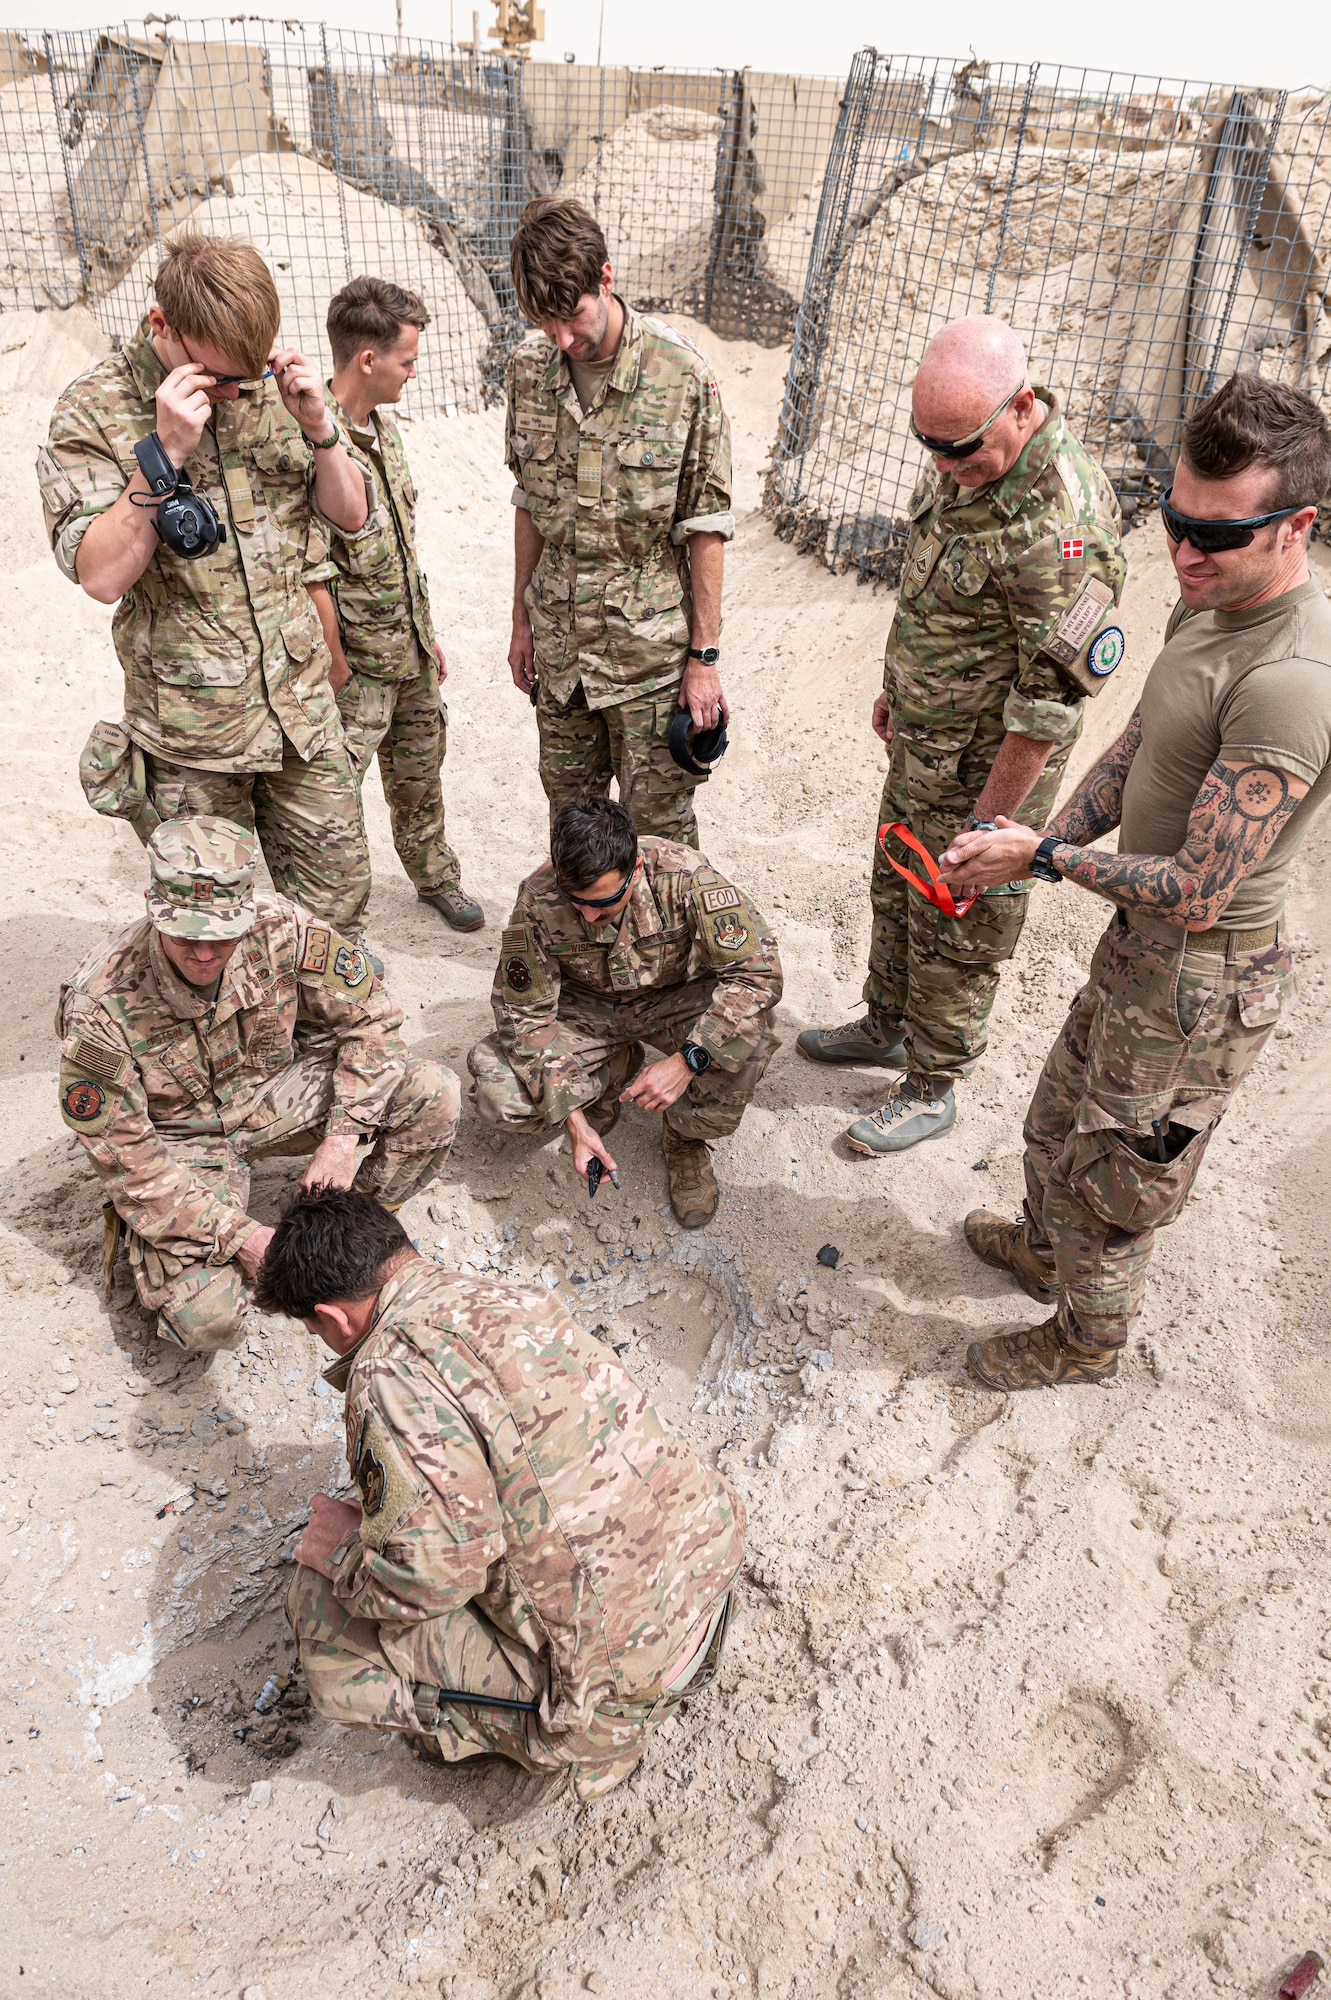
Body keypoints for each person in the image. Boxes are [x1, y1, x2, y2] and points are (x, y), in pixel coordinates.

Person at [939, 372, 1331, 1390]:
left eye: (1215, 535)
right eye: (1173, 520)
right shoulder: (1207, 603)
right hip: (1136, 949)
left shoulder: (1290, 681)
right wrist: (1032, 828)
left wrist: (1042, 858)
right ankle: (1037, 1253)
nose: (1182, 552)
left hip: (1197, 982)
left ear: (1298, 526)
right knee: (1051, 1118)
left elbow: (1201, 888)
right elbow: (1139, 744)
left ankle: (1082, 1343)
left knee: (1114, 1185)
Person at [265, 1187, 745, 1802]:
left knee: (322, 1600)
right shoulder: (506, 1297)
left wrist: (341, 1555)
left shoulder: (387, 1370)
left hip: (623, 1686)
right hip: (709, 1585)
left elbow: (434, 1579)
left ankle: (541, 1732)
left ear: (332, 1317)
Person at [796, 315, 1127, 1155]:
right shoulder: (968, 455)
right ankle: (886, 1025)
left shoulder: (1063, 529)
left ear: (1020, 408)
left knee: (956, 914)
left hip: (990, 768)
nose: (942, 468)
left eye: (959, 449)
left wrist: (988, 828)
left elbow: (1044, 710)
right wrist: (897, 688)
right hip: (922, 739)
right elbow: (936, 590)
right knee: (895, 879)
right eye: (929, 447)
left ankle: (931, 1083)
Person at [39, 228, 378, 936]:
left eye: (244, 376)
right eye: (219, 376)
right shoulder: (92, 411)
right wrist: (160, 456)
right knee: (212, 928)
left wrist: (319, 426)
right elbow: (100, 575)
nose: (234, 391)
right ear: (162, 325)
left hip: (301, 719)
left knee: (337, 908)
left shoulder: (272, 392)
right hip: (191, 738)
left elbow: (352, 517)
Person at [56, 816, 460, 1353]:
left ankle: (345, 1244)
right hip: (179, 1143)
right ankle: (162, 1242)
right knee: (206, 1320)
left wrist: (343, 1140)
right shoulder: (100, 1003)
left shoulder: (282, 928)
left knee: (432, 1091)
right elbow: (132, 1162)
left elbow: (373, 1019)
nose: (203, 954)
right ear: (153, 907)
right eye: (185, 936)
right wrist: (240, 1237)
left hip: (273, 1098)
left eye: (222, 937)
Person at [504, 196, 734, 846]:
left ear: (604, 279)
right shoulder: (527, 371)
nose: (562, 340)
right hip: (561, 658)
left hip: (648, 662)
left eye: (572, 317)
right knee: (574, 838)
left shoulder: (681, 376)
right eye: (544, 323)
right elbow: (528, 503)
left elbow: (706, 524)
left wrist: (703, 659)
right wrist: (521, 620)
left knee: (661, 844)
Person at [468, 797, 780, 1228]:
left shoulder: (686, 877)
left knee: (749, 1044)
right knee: (501, 1095)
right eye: (576, 901)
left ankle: (685, 1137)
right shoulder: (538, 897)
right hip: (587, 1011)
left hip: (673, 999)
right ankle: (606, 1078)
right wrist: (574, 1120)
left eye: (605, 901)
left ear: (633, 870)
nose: (590, 915)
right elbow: (524, 1015)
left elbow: (756, 978)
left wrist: (690, 1060)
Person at [319, 276, 484, 934]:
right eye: (407, 360)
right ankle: (333, 919)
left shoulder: (383, 430)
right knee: (332, 795)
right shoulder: (316, 442)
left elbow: (398, 549)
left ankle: (433, 875)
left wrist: (426, 634)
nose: (413, 372)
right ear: (368, 360)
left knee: (420, 770)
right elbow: (307, 565)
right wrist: (333, 662)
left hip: (406, 649)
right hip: (353, 664)